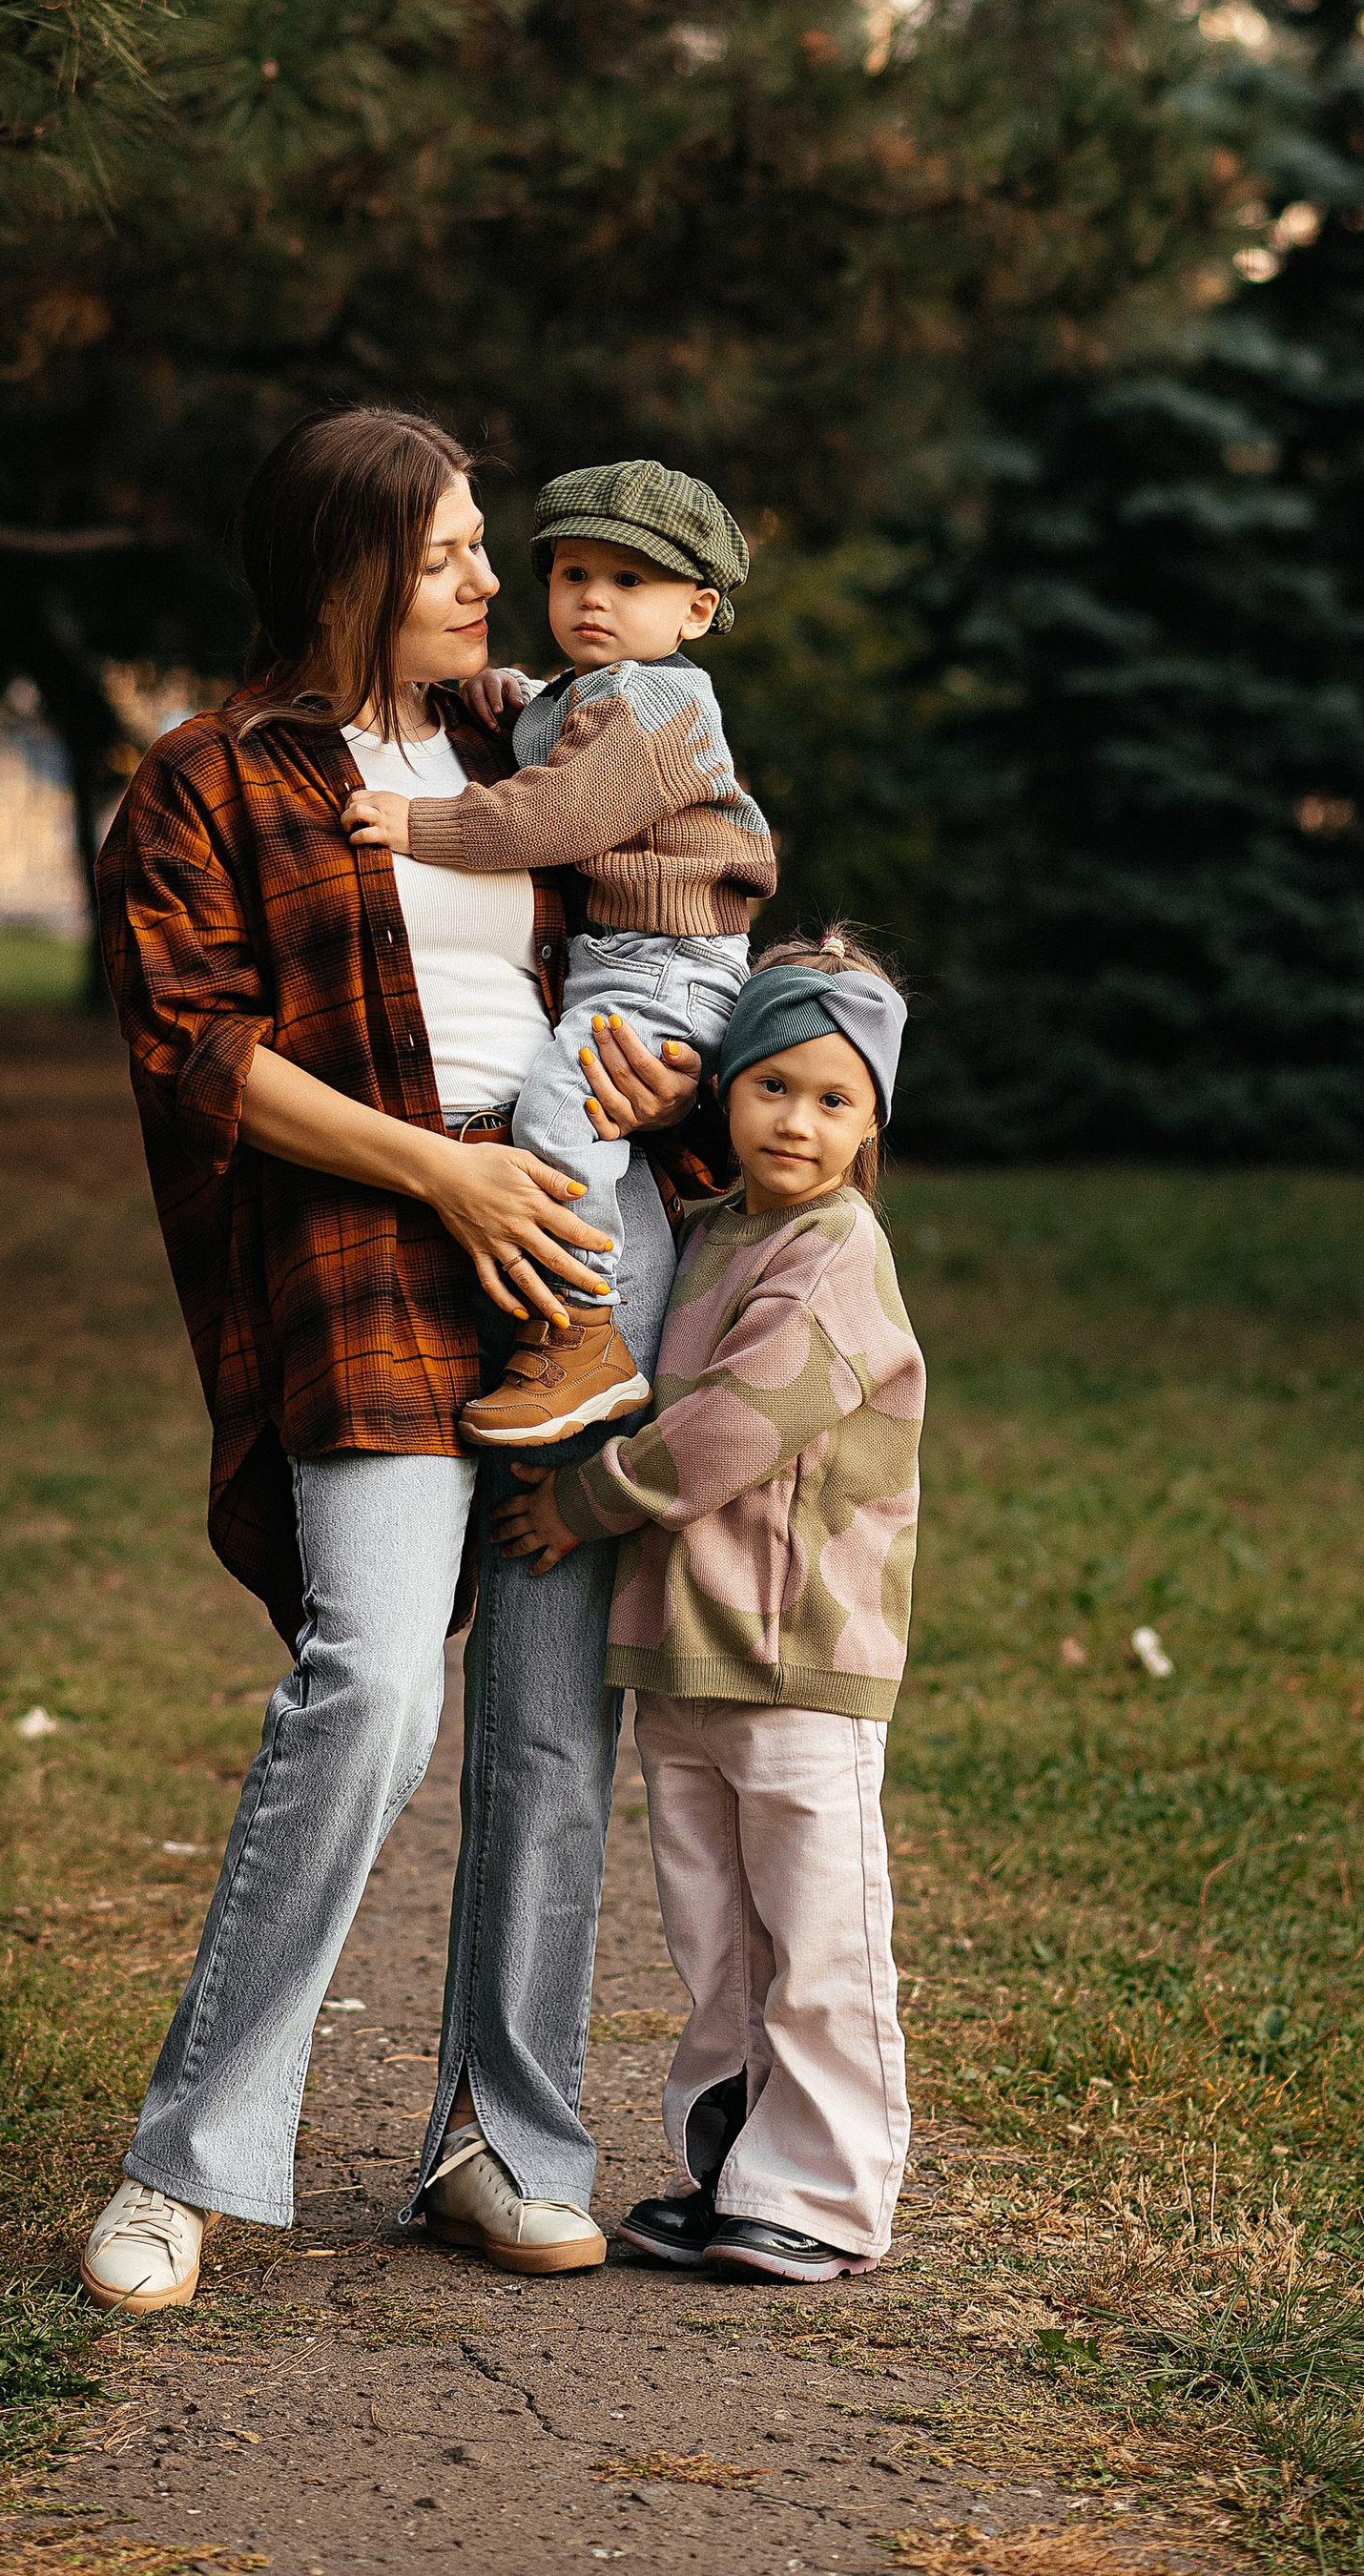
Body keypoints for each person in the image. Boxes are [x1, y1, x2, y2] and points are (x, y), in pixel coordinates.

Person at [82, 404, 709, 2318]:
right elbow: (192, 1050)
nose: (488, 577)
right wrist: (441, 1170)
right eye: (446, 549)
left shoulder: (538, 734)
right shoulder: (203, 778)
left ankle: (499, 2143)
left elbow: (689, 903)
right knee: (365, 1682)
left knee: (541, 1719)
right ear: (350, 568)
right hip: (370, 1246)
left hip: (582, 1247)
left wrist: (662, 1054)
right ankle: (184, 2159)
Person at [492, 929, 923, 2285]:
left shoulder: (838, 1250)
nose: (798, 1120)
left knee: (817, 1929)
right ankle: (733, 2167)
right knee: (716, 1930)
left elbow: (738, 1426)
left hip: (796, 1652)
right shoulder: (713, 1229)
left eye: (835, 1097)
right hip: (682, 1646)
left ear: (873, 1121)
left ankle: (831, 2192)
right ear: (723, 1087)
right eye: (773, 1085)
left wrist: (581, 1501)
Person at [341, 457, 775, 1449]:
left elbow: (559, 811)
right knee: (575, 1101)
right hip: (625, 957)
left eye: (630, 582)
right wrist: (492, 696)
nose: (593, 598)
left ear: (696, 611)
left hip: (671, 959)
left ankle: (582, 1334)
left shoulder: (661, 705)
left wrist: (422, 825)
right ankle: (580, 1326)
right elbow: (546, 719)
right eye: (573, 573)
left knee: (559, 1105)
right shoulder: (588, 692)